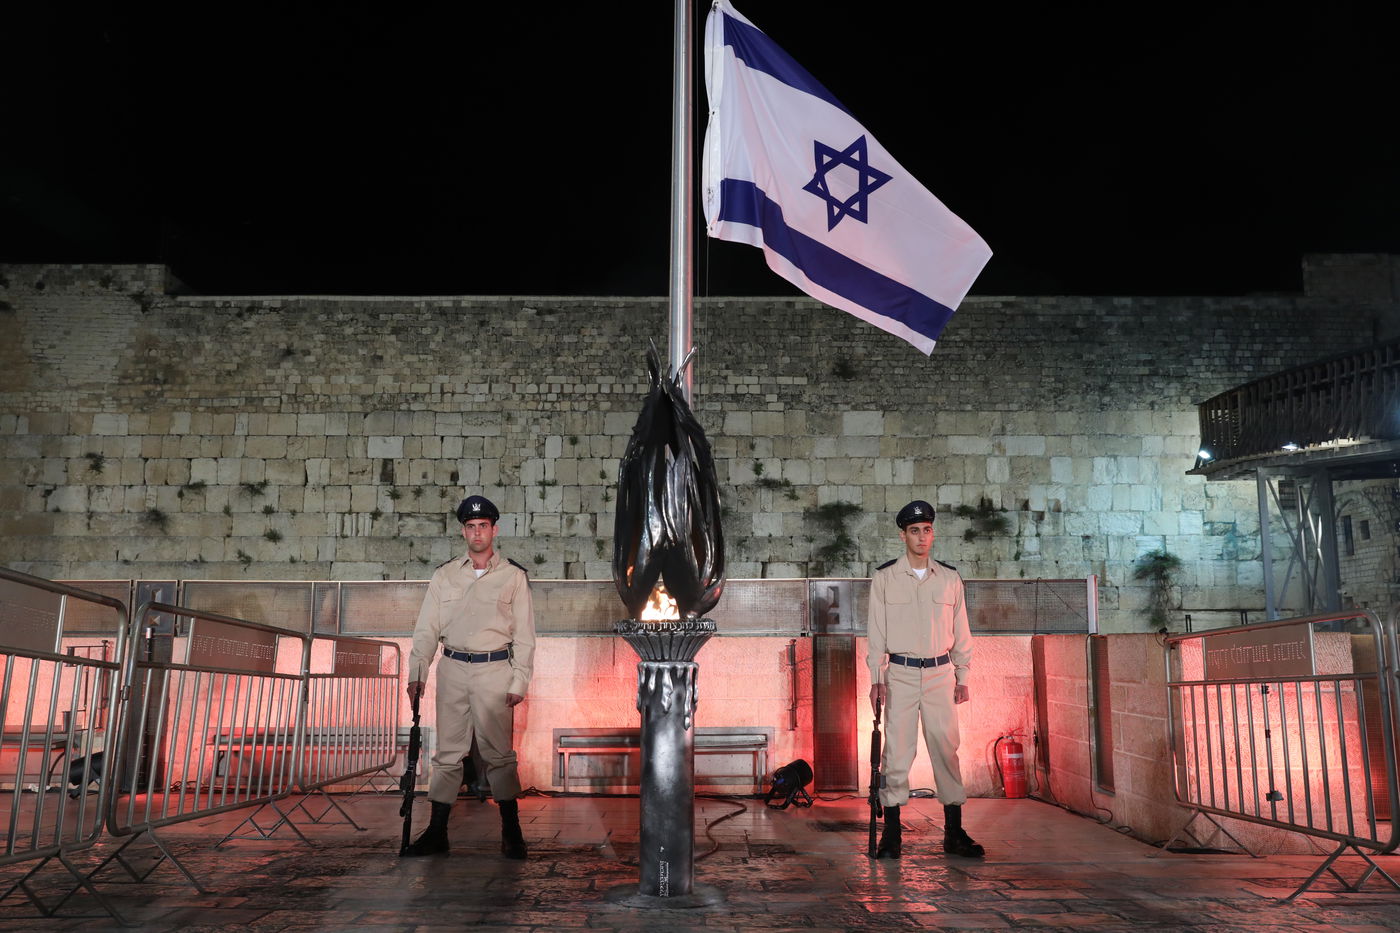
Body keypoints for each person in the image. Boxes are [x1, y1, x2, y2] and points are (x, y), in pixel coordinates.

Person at [401, 495, 536, 859]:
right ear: (463, 531)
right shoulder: (445, 575)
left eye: (483, 526)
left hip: (495, 670)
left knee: (499, 755)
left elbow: (524, 635)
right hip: (453, 668)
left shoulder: (513, 576)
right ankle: (437, 832)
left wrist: (518, 681)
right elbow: (426, 629)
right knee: (447, 754)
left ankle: (512, 831)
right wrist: (418, 673)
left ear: (494, 529)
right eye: (471, 527)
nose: (477, 533)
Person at [867, 499, 984, 860]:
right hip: (900, 675)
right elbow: (876, 633)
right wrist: (876, 679)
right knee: (897, 754)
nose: (922, 537)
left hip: (940, 674)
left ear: (933, 533)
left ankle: (954, 832)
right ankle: (892, 835)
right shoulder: (885, 578)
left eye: (927, 530)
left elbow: (961, 632)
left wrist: (962, 675)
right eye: (915, 531)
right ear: (903, 535)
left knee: (946, 751)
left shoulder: (949, 579)